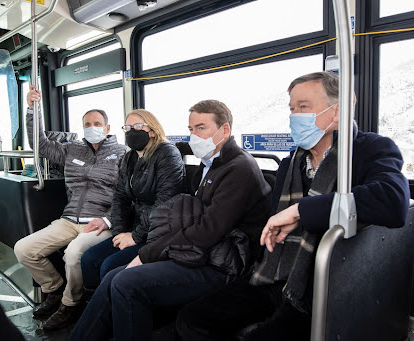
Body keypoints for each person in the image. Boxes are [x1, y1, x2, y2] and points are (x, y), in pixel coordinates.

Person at [176, 71, 411, 341]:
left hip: (323, 283)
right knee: (192, 320)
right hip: (275, 270)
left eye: (303, 108)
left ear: (338, 111)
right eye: (291, 108)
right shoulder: (291, 164)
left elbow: (393, 201)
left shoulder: (369, 150)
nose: (294, 116)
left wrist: (302, 211)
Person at [69, 99, 272, 341]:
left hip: (223, 264)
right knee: (114, 276)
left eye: (201, 128)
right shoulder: (210, 166)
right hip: (202, 253)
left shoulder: (239, 168)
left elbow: (207, 230)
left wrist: (148, 253)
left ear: (224, 130)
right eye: (190, 129)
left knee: (126, 282)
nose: (194, 135)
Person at [14, 86, 128, 331]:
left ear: (108, 128)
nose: (92, 127)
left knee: (74, 253)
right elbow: (40, 145)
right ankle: (53, 289)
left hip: (99, 221)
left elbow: (127, 196)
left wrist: (108, 219)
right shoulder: (71, 149)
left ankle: (70, 303)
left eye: (97, 123)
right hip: (68, 219)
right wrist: (33, 109)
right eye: (87, 123)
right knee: (24, 249)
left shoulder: (122, 154)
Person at [80, 109, 185, 289]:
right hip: (134, 226)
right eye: (127, 127)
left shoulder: (167, 154)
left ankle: (110, 311)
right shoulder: (129, 158)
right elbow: (120, 196)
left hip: (158, 232)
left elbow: (165, 203)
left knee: (108, 266)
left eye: (137, 126)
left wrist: (135, 237)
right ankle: (95, 308)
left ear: (151, 130)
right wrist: (119, 233)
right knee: (89, 259)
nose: (131, 131)